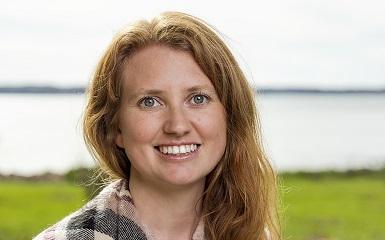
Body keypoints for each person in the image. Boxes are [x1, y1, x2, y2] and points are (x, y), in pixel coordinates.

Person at [34, 11, 280, 240]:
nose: (177, 126)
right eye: (150, 102)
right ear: (115, 127)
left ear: (230, 114)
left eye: (198, 98)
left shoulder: (252, 233)